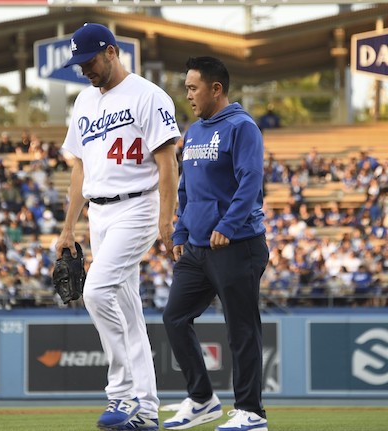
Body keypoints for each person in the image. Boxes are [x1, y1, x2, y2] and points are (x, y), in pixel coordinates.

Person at [55, 23, 180, 431]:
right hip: (99, 213)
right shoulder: (84, 102)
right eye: (78, 63)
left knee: (95, 290)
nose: (84, 69)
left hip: (138, 207)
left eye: (88, 60)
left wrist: (166, 216)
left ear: (110, 52)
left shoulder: (148, 95)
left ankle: (122, 393)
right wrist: (67, 227)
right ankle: (146, 410)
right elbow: (79, 170)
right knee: (129, 315)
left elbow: (167, 163)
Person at [162, 57, 269, 431]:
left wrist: (228, 224)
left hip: (237, 243)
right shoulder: (192, 132)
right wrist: (179, 232)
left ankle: (251, 412)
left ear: (216, 88)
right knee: (174, 317)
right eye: (187, 88)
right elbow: (187, 188)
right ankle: (203, 399)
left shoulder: (243, 127)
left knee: (241, 328)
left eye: (193, 88)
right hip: (197, 246)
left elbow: (250, 181)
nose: (188, 95)